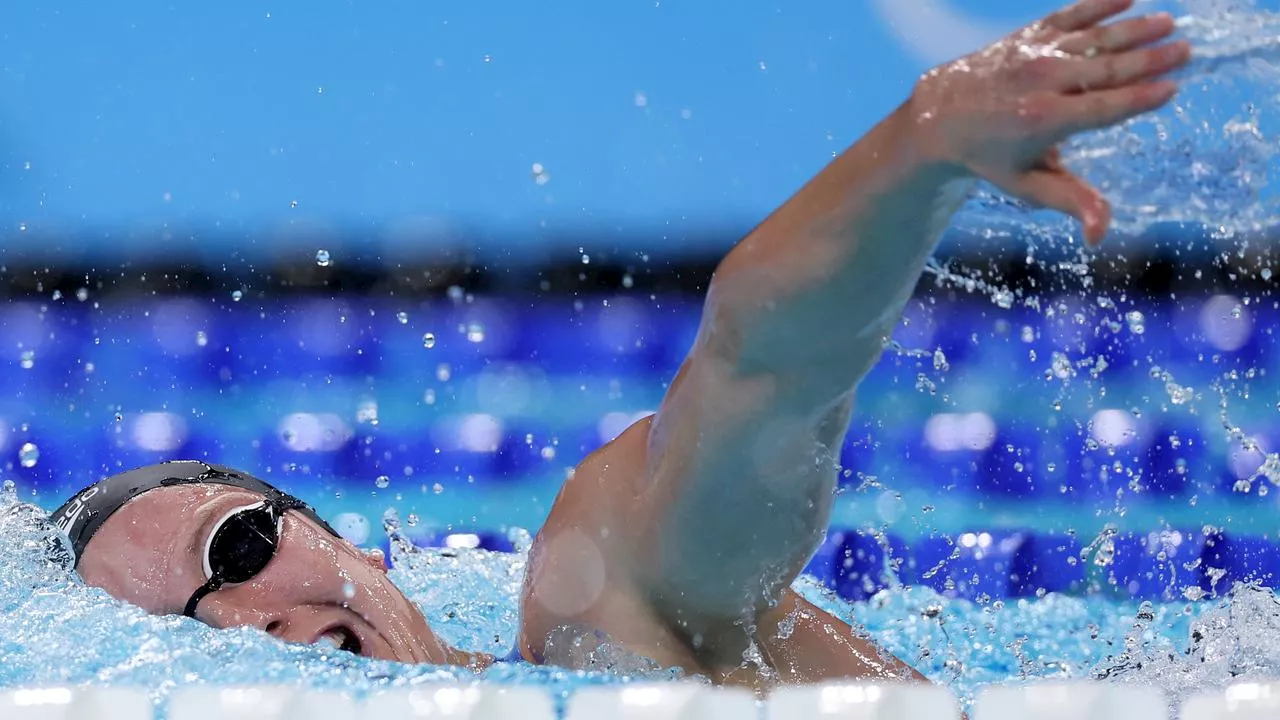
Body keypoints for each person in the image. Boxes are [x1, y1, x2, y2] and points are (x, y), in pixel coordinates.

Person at [49, 0, 1190, 690]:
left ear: (350, 544)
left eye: (239, 550)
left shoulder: (602, 618)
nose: (249, 623)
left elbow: (756, 372)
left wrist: (922, 145)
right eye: (186, 626)